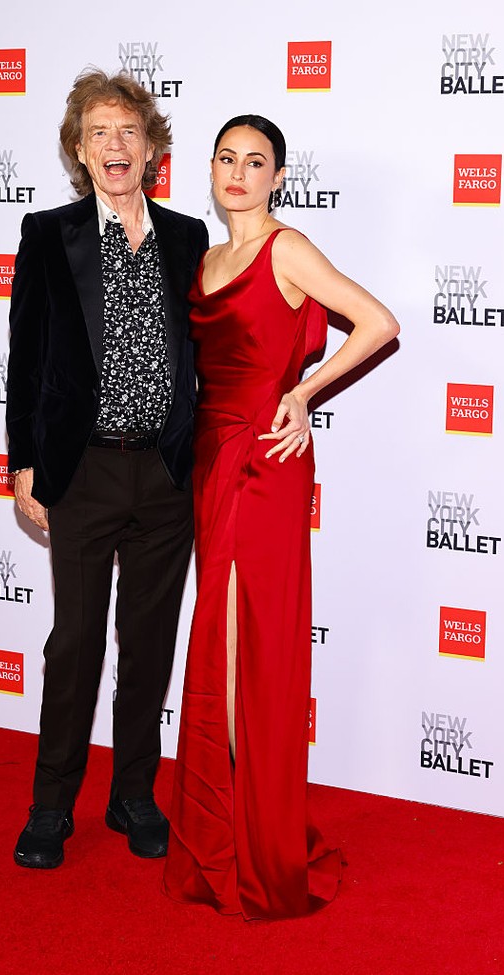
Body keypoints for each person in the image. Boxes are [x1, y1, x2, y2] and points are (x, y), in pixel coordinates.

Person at [162, 115, 400, 920]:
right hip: (210, 455)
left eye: (255, 161)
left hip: (263, 462)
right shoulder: (206, 257)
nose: (238, 172)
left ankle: (249, 835)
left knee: (243, 638)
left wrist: (302, 393)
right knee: (225, 639)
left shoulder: (284, 249)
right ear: (212, 168)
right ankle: (233, 815)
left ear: (278, 177)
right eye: (226, 158)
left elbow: (379, 322)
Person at [6, 68, 208, 870]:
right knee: (76, 642)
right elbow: (26, 360)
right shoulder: (47, 235)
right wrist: (23, 461)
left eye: (128, 130)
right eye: (99, 132)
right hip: (83, 470)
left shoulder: (189, 236)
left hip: (164, 473)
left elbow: (214, 351)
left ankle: (132, 795)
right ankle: (52, 804)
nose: (115, 145)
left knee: (150, 642)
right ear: (79, 152)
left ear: (152, 148)